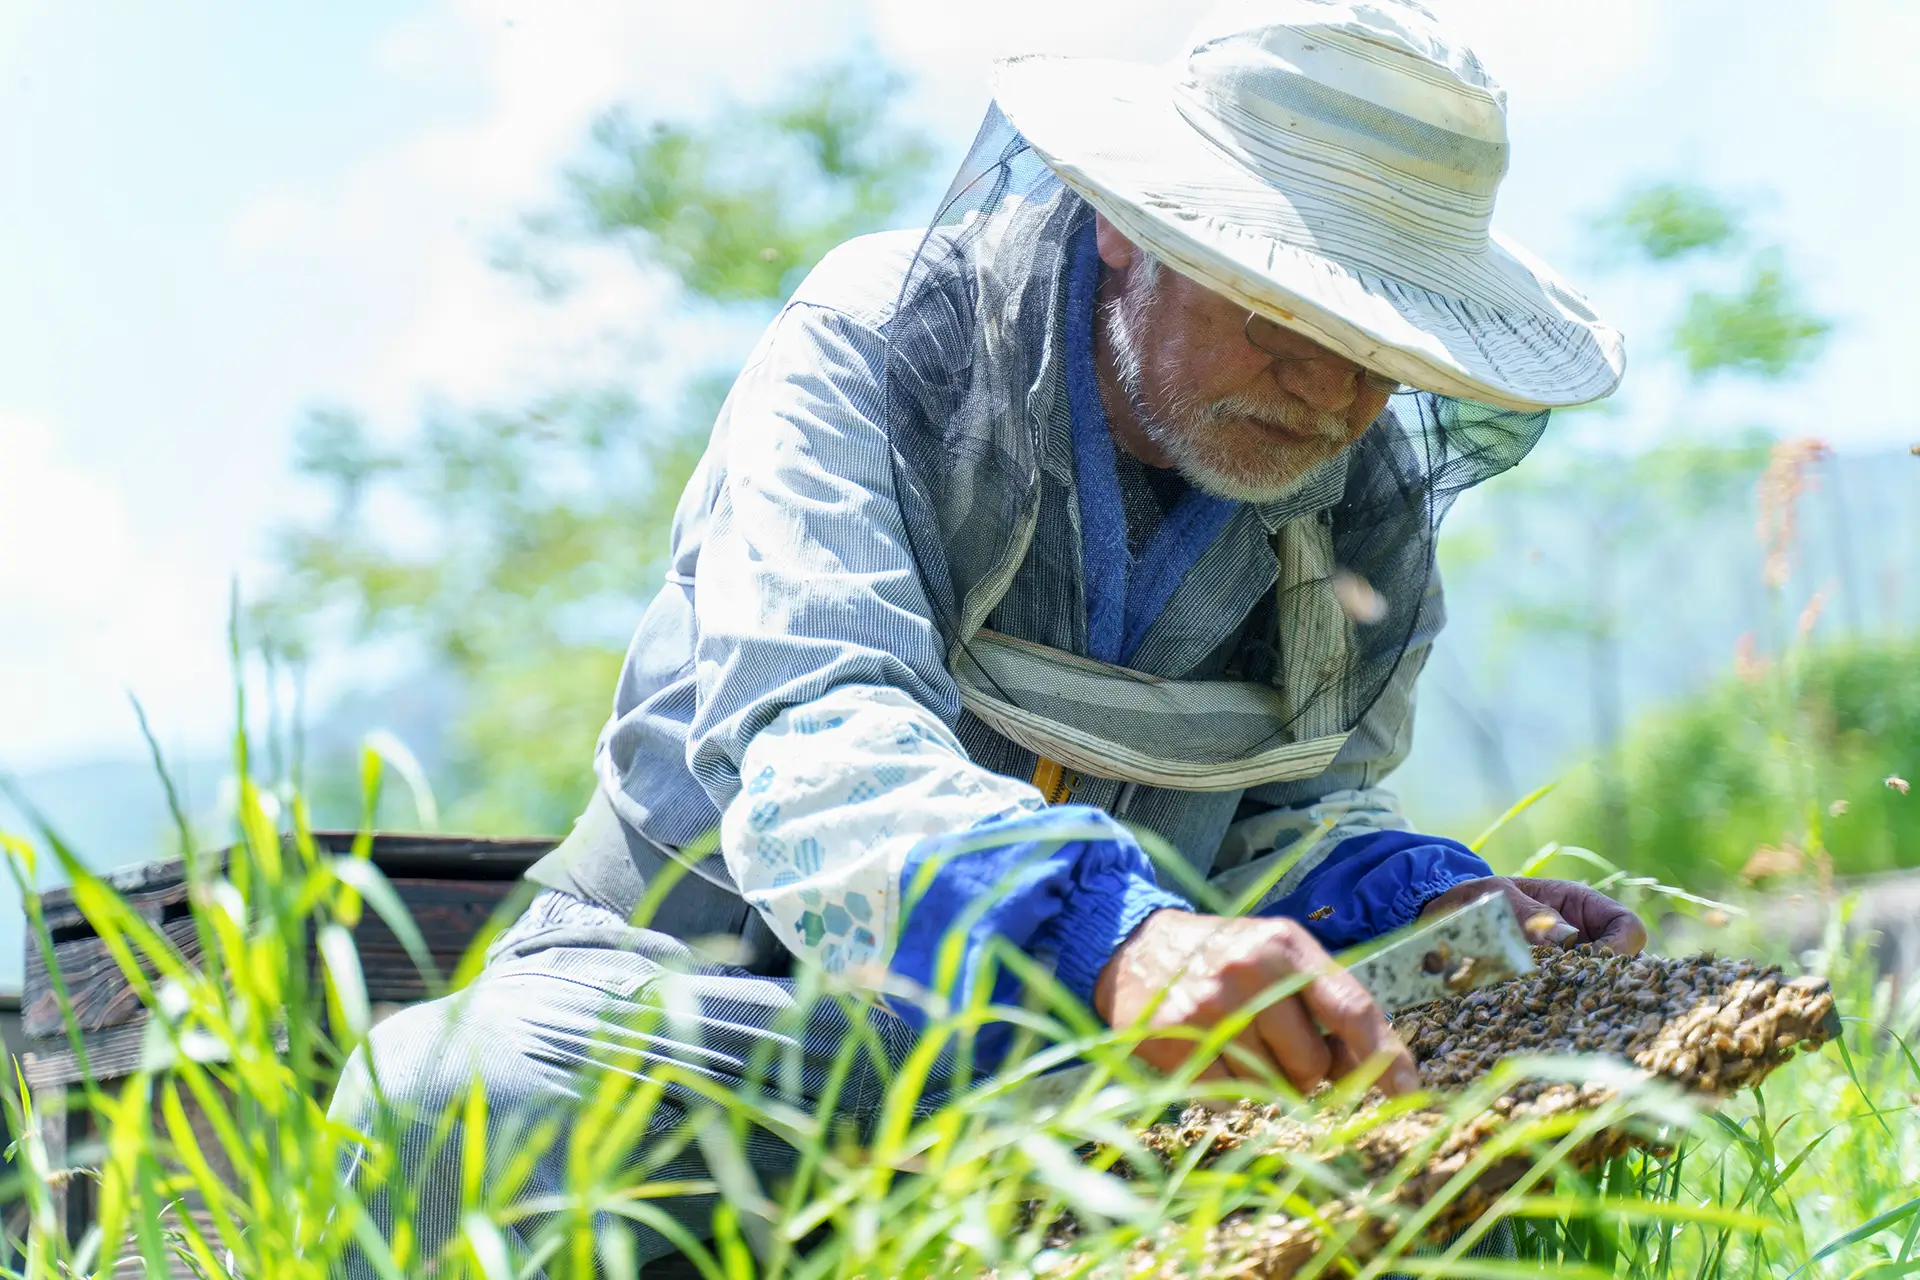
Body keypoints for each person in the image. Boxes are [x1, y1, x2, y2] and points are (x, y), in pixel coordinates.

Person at [333, 0, 1647, 1268]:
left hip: (1087, 1094)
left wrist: (1421, 906)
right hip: (741, 1020)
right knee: (455, 1095)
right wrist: (1114, 936)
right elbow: (813, 740)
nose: (1332, 393)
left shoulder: (1350, 507)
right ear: (1136, 229)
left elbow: (1289, 817)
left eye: (1381, 347)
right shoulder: (885, 348)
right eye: (1288, 313)